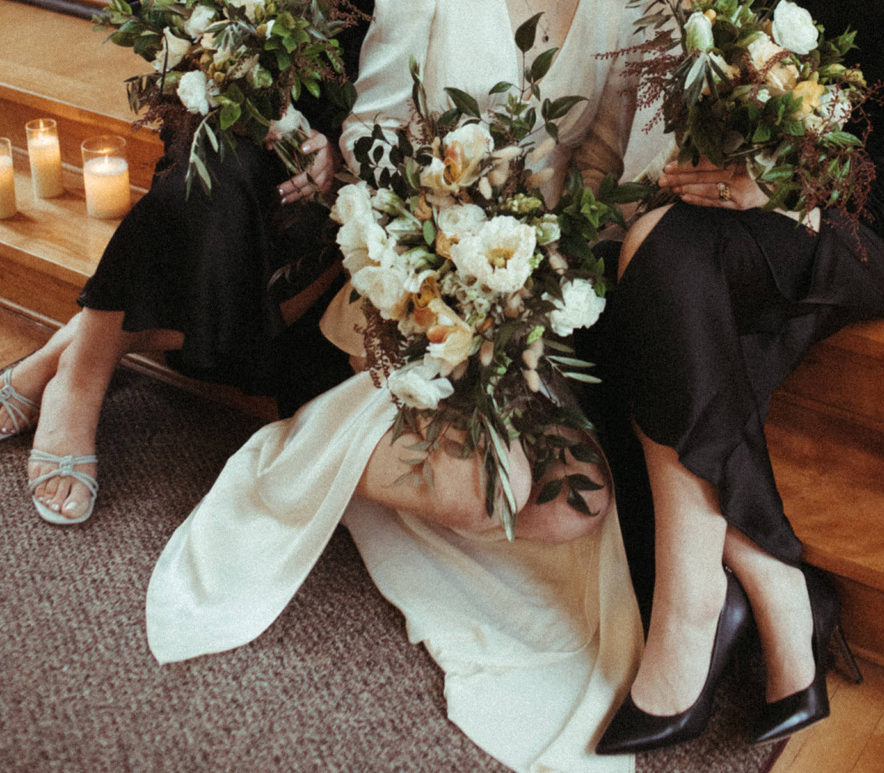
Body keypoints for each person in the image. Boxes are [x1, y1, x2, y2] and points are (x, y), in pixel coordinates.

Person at [145, 2, 646, 770]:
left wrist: (546, 274)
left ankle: (370, 463)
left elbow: (599, 174)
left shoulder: (622, 11)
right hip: (403, 303)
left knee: (577, 506)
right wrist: (432, 248)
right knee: (492, 489)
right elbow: (368, 133)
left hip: (525, 310)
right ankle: (311, 458)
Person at [586, 0, 884, 755]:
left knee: (663, 257)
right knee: (635, 265)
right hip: (758, 186)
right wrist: (734, 143)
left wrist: (798, 175)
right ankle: (774, 582)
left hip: (882, 214)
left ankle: (699, 607)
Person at [0, 1, 374, 525]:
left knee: (291, 238)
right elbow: (185, 36)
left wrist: (338, 148)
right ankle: (80, 384)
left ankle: (65, 355)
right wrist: (236, 99)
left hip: (348, 150)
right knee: (207, 188)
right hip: (223, 108)